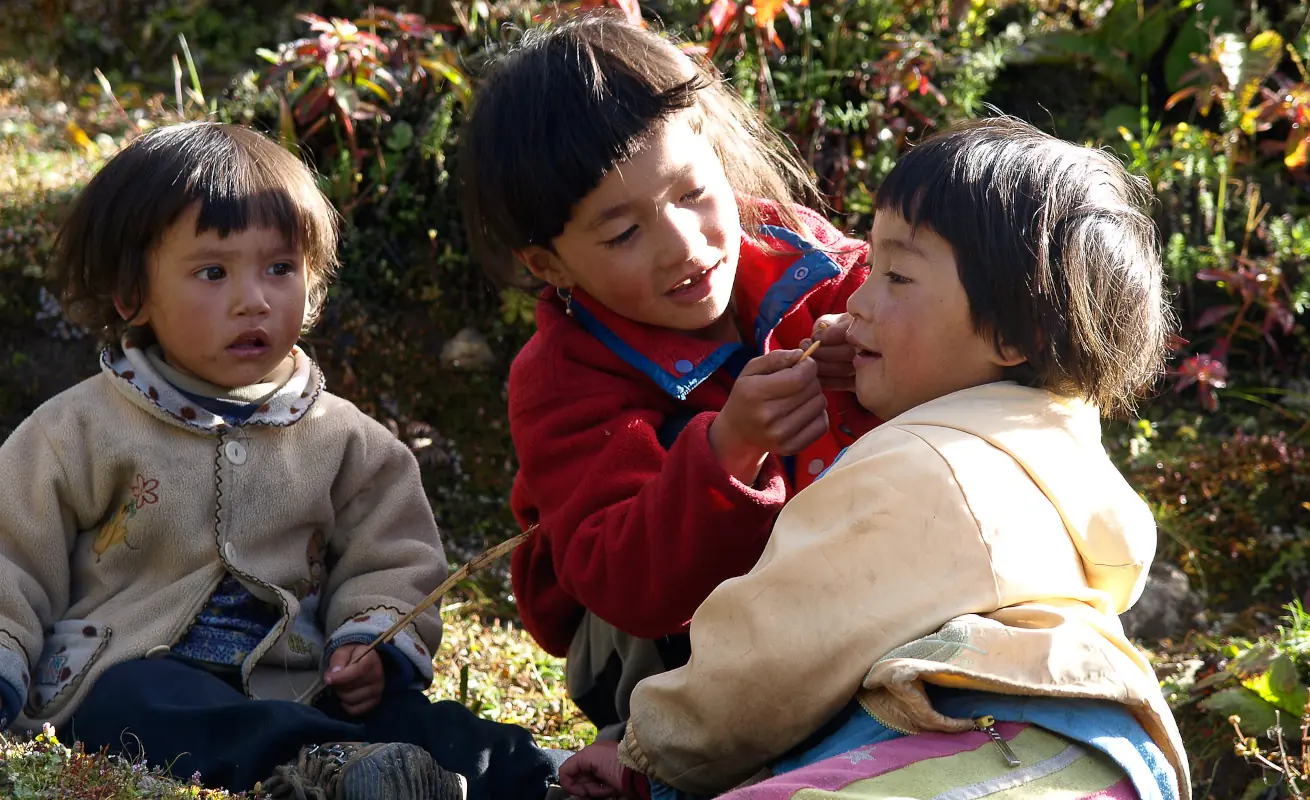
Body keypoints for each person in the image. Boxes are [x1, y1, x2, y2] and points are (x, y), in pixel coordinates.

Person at [559, 118, 1191, 800]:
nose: (856, 297)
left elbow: (772, 656)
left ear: (1013, 333)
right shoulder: (1058, 452)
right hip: (1114, 752)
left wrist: (644, 752)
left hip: (978, 749)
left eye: (895, 275)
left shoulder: (921, 464)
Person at [0, 121, 559, 800]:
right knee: (136, 706)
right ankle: (344, 769)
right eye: (213, 271)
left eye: (280, 268)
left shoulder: (346, 440)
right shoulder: (76, 430)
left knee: (424, 721)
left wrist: (370, 641)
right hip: (134, 668)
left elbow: (391, 557)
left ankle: (538, 776)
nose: (253, 299)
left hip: (303, 683)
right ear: (131, 295)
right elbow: (12, 559)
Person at [458, 14, 879, 739]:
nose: (683, 246)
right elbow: (624, 582)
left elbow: (920, 332)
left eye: (691, 193)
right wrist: (730, 451)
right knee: (686, 437)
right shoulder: (563, 376)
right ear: (549, 265)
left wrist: (875, 350)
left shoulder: (799, 254)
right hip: (653, 645)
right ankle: (669, 738)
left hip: (840, 600)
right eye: (623, 233)